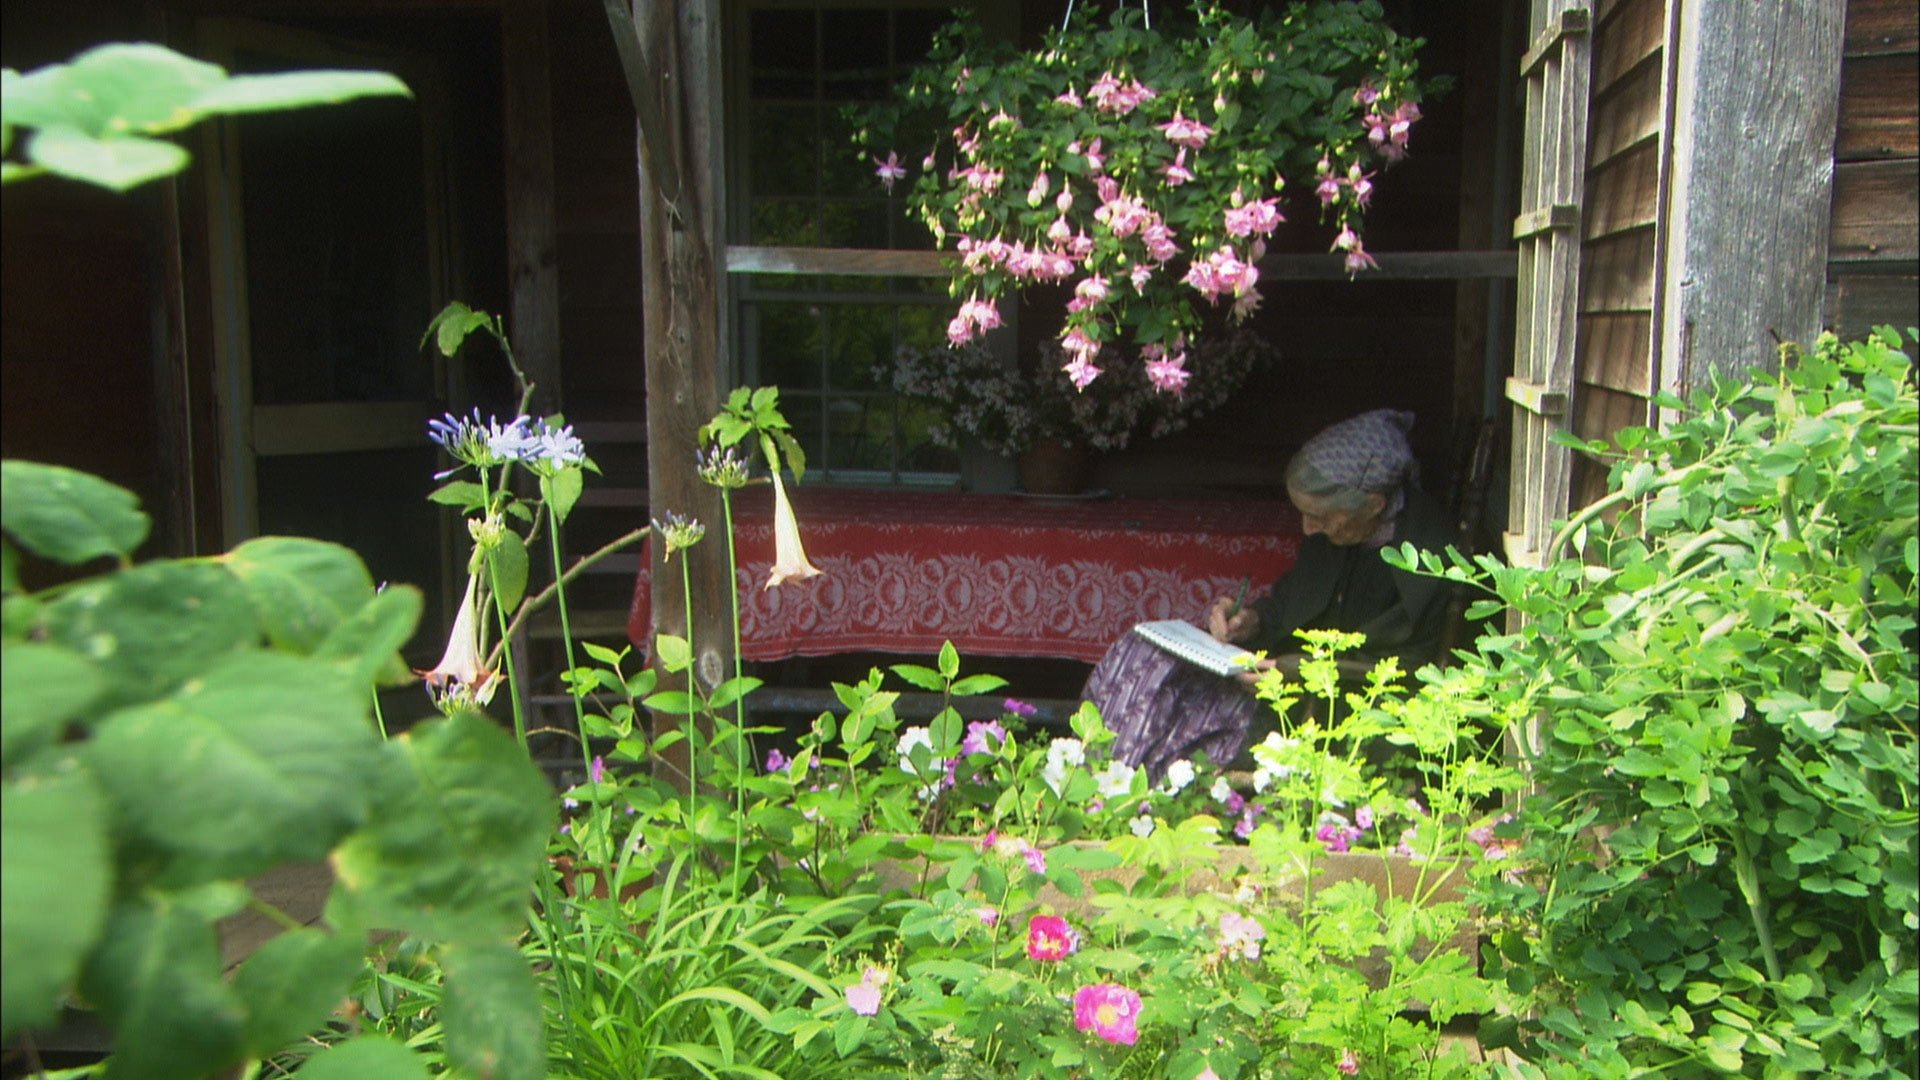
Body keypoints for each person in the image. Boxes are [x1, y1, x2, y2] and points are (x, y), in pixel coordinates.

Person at [1083, 408, 1456, 779]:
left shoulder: (1426, 557)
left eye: (1321, 517)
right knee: (1143, 653)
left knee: (1176, 697)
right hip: (1284, 676)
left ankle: (1128, 784)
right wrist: (1252, 620)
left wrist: (1292, 671)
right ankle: (1102, 772)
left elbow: (1406, 664)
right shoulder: (1344, 531)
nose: (1309, 529)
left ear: (1374, 503)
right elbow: (1293, 604)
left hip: (1334, 706)